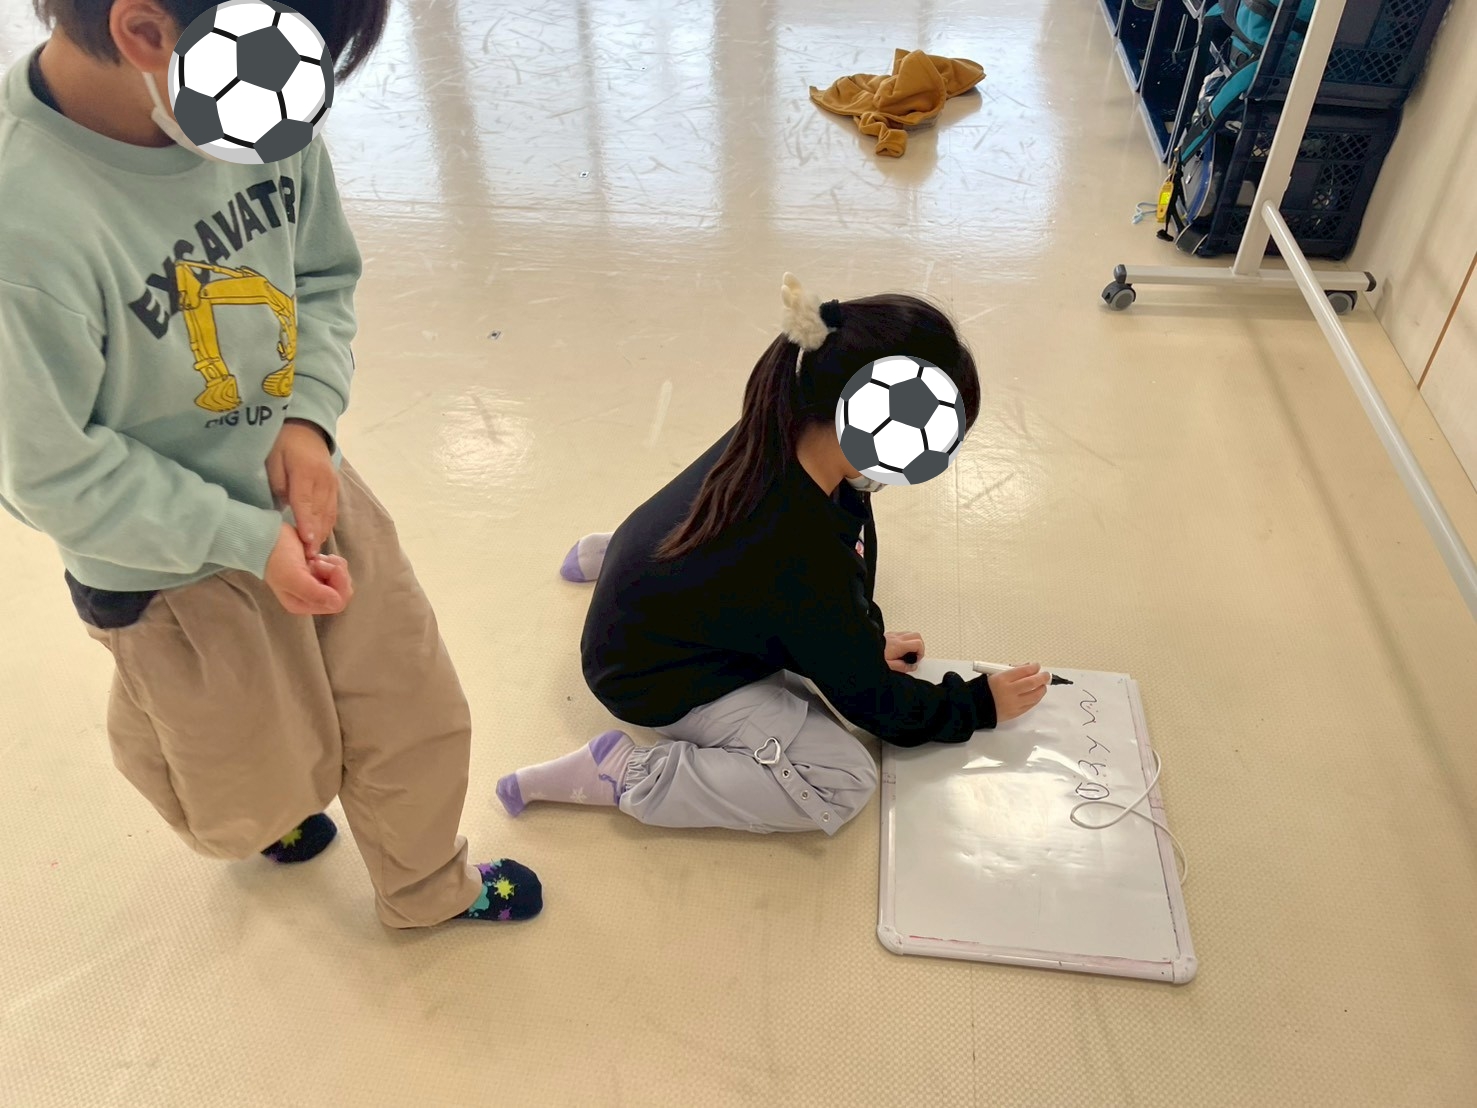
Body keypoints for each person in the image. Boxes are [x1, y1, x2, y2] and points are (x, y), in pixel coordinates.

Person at [0, 1, 540, 927]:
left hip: (305, 486)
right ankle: (245, 792)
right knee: (246, 780)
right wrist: (244, 539)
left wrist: (308, 420)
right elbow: (50, 473)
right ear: (146, 34)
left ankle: (426, 886)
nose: (292, 115)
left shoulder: (259, 110)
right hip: (163, 565)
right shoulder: (25, 226)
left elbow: (322, 274)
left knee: (410, 699)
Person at [499, 275, 1050, 835]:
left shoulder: (784, 422)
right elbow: (877, 708)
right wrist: (975, 706)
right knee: (844, 779)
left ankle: (616, 552)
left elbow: (842, 563)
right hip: (651, 678)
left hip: (658, 589)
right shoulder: (801, 551)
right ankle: (627, 775)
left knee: (768, 585)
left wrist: (858, 641)